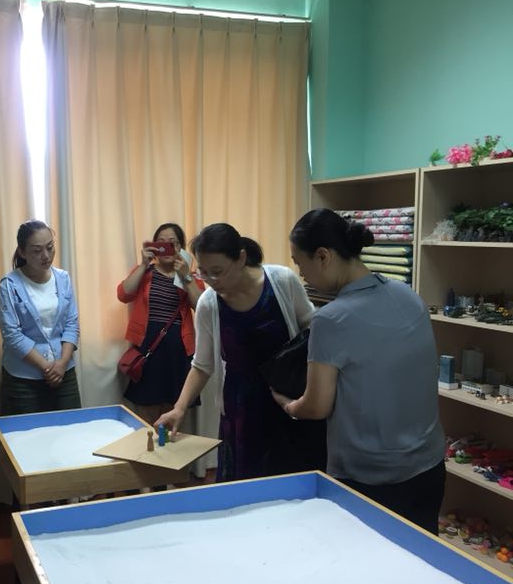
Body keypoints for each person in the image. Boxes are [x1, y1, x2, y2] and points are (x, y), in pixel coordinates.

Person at [272, 208, 445, 534]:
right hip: (429, 467)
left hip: (371, 479)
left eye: (300, 263)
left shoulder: (331, 319)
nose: (301, 274)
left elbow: (316, 406)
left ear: (322, 256)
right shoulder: (408, 295)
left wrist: (288, 405)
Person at [156, 223, 326, 482]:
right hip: (242, 408)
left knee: (294, 480)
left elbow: (312, 332)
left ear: (241, 258)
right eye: (204, 273)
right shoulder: (209, 304)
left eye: (218, 272)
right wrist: (179, 409)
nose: (211, 281)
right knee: (246, 483)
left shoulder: (281, 281)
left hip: (289, 398)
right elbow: (202, 365)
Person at [117, 223, 204, 425]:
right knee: (146, 417)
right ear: (154, 246)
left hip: (178, 353)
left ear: (180, 247)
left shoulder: (190, 277)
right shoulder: (146, 272)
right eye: (161, 243)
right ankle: (148, 446)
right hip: (148, 350)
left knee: (174, 416)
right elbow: (123, 294)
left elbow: (202, 307)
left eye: (172, 243)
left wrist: (186, 276)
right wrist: (143, 264)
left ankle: (171, 447)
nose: (166, 248)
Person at [0, 220, 80, 415]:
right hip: (23, 379)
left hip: (64, 372)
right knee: (26, 432)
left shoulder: (63, 278)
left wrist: (62, 363)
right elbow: (12, 335)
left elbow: (71, 323)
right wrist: (48, 368)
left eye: (50, 247)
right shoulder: (9, 285)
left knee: (72, 428)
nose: (46, 256)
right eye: (37, 250)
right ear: (22, 252)